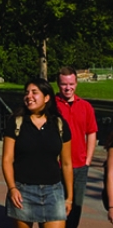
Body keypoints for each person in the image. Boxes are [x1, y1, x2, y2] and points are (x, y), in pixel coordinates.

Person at [3, 78, 72, 228]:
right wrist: (12, 188)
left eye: (35, 92)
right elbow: (7, 160)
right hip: (23, 192)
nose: (29, 96)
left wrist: (69, 198)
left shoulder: (59, 124)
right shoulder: (16, 122)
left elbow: (66, 164)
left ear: (47, 98)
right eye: (26, 93)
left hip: (53, 192)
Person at [55, 67, 97, 228]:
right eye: (64, 84)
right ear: (58, 84)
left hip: (79, 166)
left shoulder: (85, 106)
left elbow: (92, 132)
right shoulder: (52, 105)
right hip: (56, 166)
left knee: (75, 207)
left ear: (76, 84)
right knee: (56, 206)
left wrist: (88, 159)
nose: (68, 87)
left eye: (71, 84)